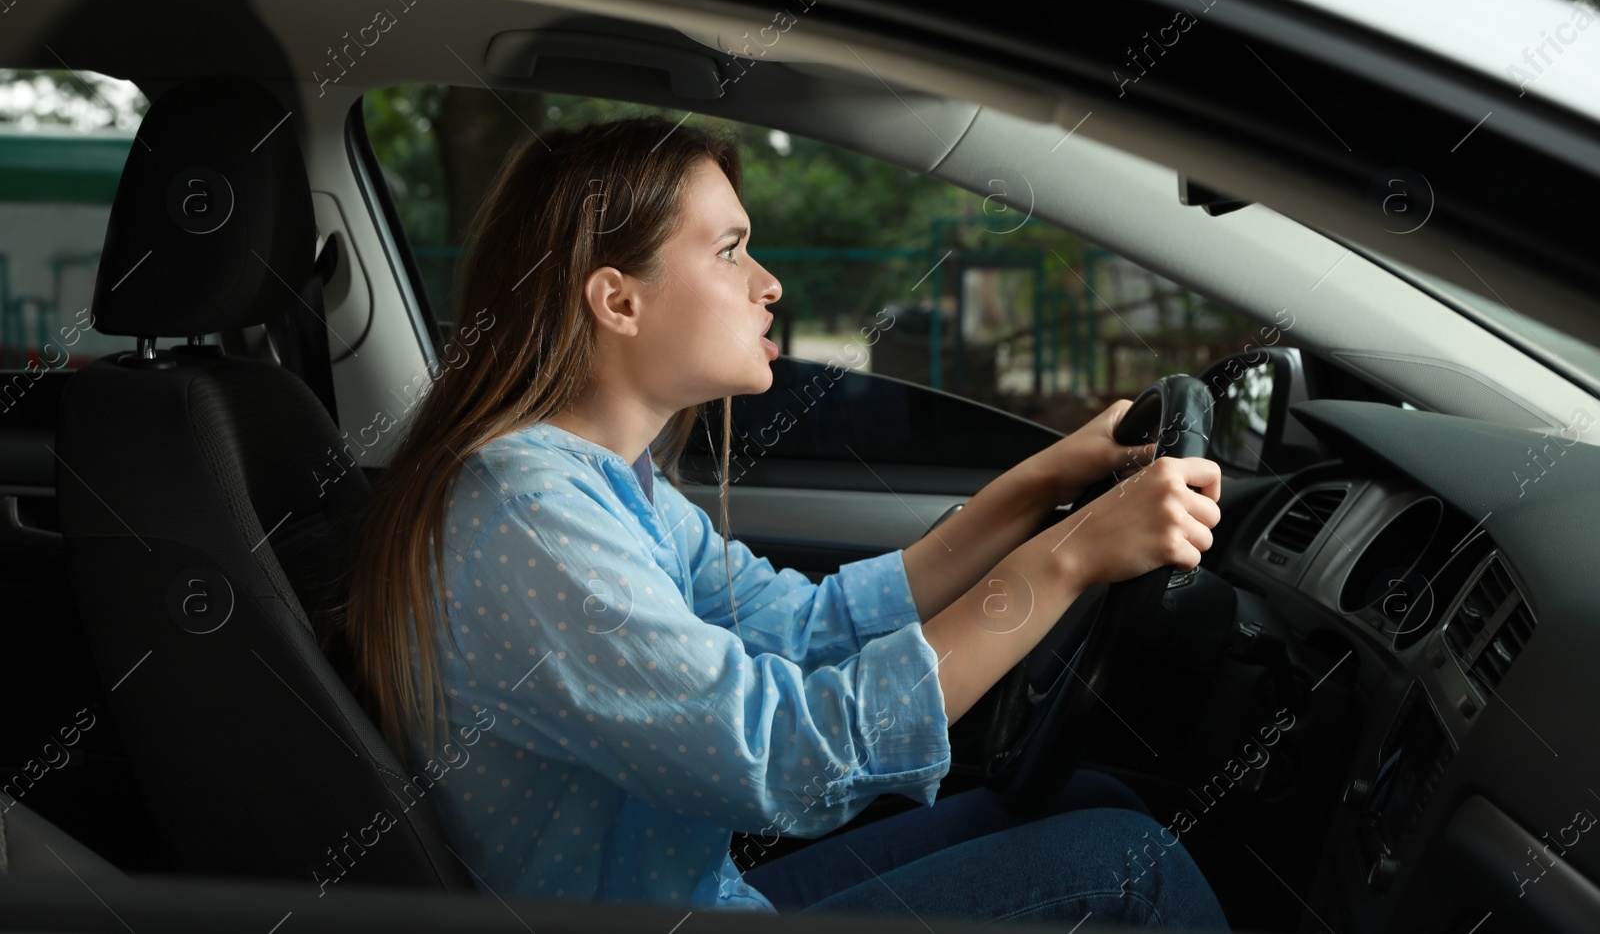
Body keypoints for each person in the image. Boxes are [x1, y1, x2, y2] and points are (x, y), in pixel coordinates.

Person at [344, 115, 1229, 928]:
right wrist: (1067, 561)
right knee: (1130, 870)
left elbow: (812, 624)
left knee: (1094, 799)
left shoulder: (612, 485)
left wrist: (1040, 484)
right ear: (618, 301)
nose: (769, 284)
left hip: (704, 898)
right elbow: (788, 755)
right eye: (731, 251)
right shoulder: (531, 513)